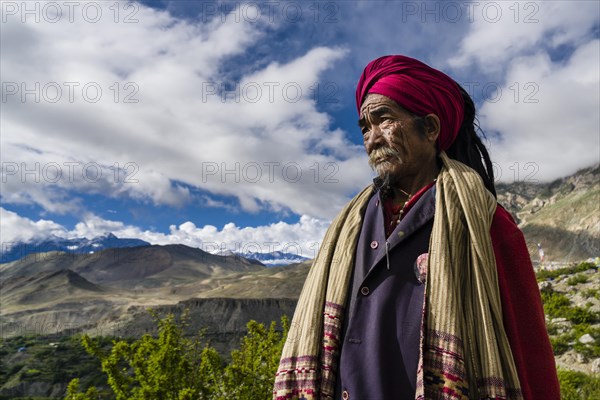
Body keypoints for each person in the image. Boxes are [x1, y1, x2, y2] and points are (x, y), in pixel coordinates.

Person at [273, 55, 560, 400]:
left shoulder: (486, 224)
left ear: (431, 128)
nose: (372, 138)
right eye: (365, 127)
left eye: (384, 120)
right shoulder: (352, 224)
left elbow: (529, 355)